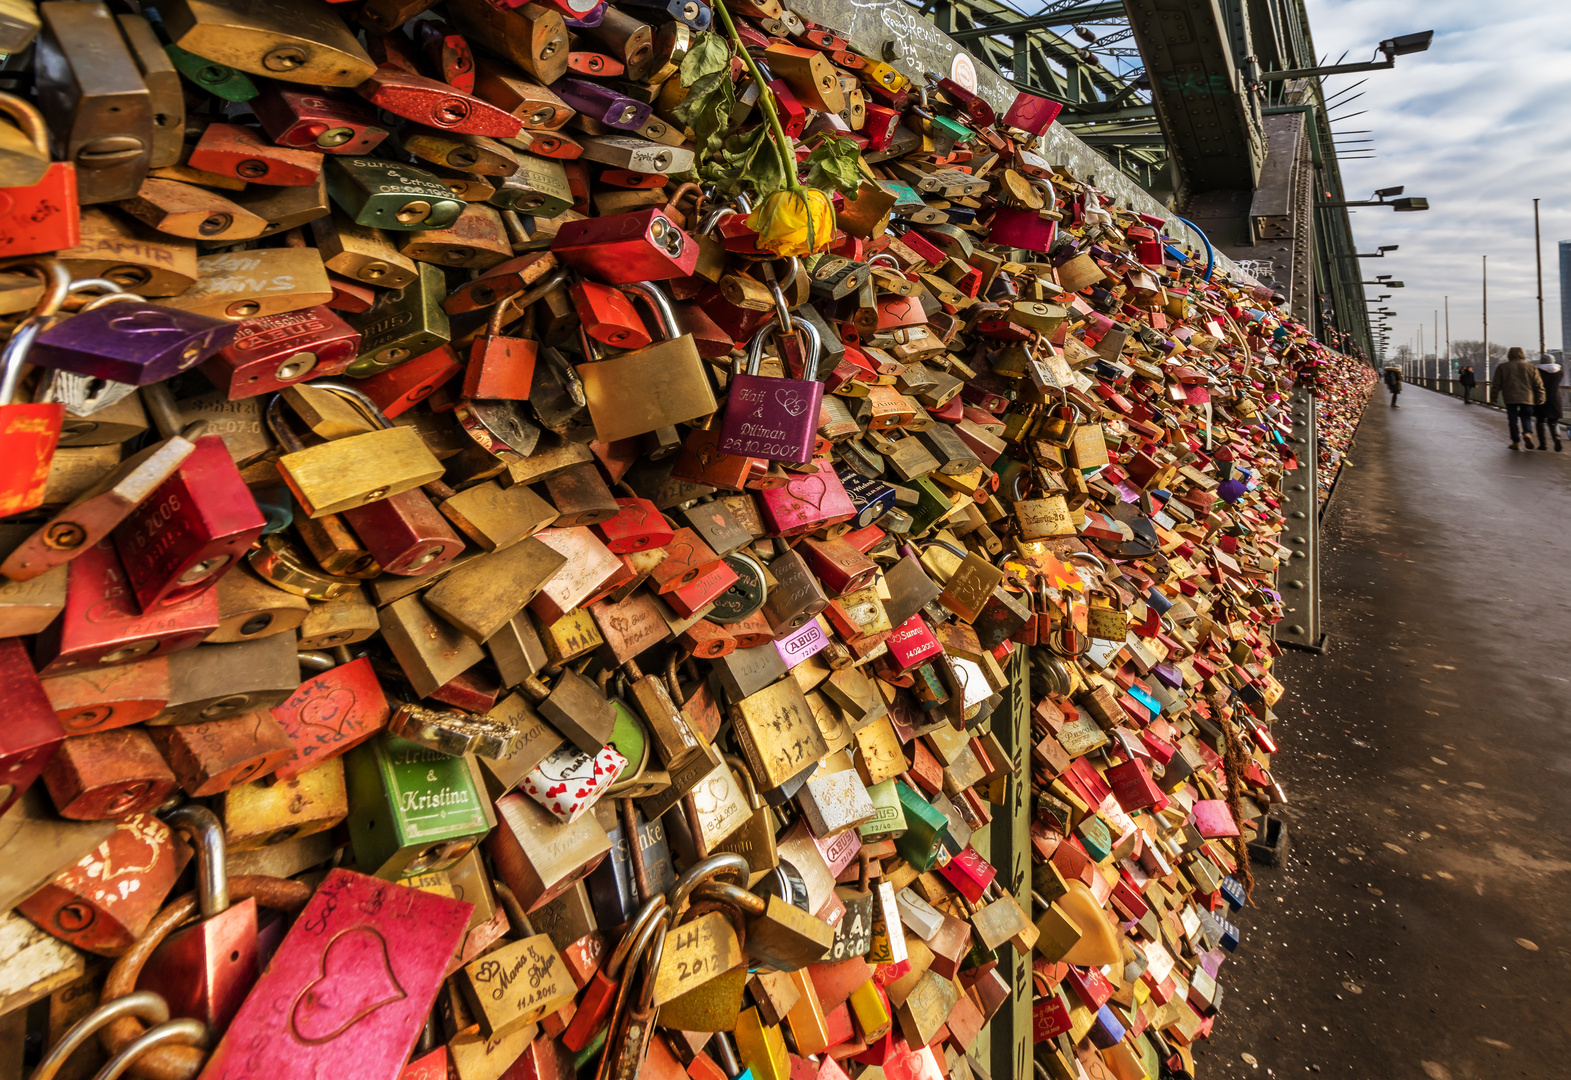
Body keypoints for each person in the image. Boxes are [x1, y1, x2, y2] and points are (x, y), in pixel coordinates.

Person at [1491, 346, 1546, 449]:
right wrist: (1541, 397)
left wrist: (1493, 397)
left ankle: (1516, 442)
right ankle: (1527, 433)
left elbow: (1496, 384)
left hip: (1510, 397)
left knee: (1512, 419)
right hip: (1527, 397)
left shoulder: (1502, 367)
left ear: (1509, 355)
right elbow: (1538, 384)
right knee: (1526, 417)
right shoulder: (1531, 367)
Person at [1534, 354, 1563, 451]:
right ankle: (1557, 438)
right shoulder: (1559, 372)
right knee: (1553, 422)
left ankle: (1543, 444)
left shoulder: (1537, 371)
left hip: (1541, 398)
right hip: (1555, 399)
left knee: (1540, 421)